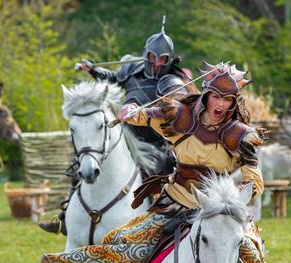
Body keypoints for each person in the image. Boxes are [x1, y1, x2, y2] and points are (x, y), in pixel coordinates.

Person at [39, 62, 291, 263]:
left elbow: (253, 177)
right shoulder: (181, 117)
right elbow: (146, 116)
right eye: (216, 97)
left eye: (228, 99)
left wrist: (239, 196)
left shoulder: (239, 134)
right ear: (206, 95)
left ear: (234, 102)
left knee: (251, 259)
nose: (220, 104)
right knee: (127, 245)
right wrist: (129, 113)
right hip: (174, 203)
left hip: (217, 212)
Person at [38, 18, 193, 235]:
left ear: (169, 59)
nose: (157, 62)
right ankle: (66, 215)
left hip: (156, 138)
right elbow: (112, 78)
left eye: (163, 58)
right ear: (146, 54)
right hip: (127, 131)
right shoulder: (131, 69)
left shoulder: (173, 79)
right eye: (153, 57)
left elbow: (181, 109)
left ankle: (160, 216)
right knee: (84, 160)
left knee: (163, 166)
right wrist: (92, 70)